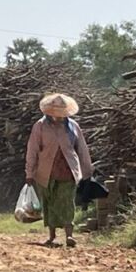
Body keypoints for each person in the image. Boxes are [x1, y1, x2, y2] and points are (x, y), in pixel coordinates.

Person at [24, 93, 93, 247]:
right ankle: (52, 236)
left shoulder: (73, 127)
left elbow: (82, 149)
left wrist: (87, 170)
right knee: (49, 203)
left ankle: (69, 235)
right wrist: (29, 173)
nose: (59, 116)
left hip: (68, 171)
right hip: (45, 172)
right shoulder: (40, 126)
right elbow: (32, 150)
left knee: (67, 202)